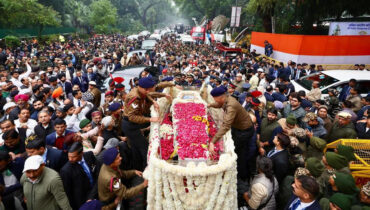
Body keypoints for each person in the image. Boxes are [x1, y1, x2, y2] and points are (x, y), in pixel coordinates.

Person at [122, 77, 173, 171]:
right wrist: (150, 119)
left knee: (136, 148)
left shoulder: (142, 90)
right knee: (144, 148)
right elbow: (132, 117)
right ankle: (147, 171)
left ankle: (137, 168)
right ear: (146, 89)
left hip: (135, 122)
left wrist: (172, 84)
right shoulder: (134, 97)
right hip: (130, 125)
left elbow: (157, 87)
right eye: (151, 90)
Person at [60, 142, 100, 210]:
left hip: (97, 192)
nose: (70, 159)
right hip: (83, 202)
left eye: (73, 157)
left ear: (81, 153)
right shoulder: (66, 170)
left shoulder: (89, 155)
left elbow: (97, 174)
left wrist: (93, 194)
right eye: (69, 156)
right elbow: (68, 193)